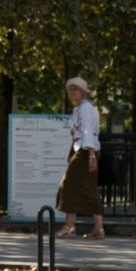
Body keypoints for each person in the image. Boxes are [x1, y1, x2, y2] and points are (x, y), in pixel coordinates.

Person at [55, 76, 105, 239]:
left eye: (75, 89)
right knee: (88, 188)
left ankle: (70, 226)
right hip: (80, 149)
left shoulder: (85, 108)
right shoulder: (79, 109)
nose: (71, 92)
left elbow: (88, 131)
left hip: (85, 150)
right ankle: (98, 228)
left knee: (67, 185)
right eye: (70, 89)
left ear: (83, 92)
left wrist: (91, 155)